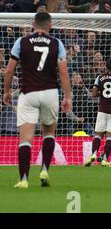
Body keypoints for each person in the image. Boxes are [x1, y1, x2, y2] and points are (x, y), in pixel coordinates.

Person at [2, 12, 72, 188]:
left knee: (25, 138)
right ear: (50, 25)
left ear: (33, 23)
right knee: (49, 133)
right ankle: (45, 170)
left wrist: (7, 91)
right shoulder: (57, 43)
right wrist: (68, 96)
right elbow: (63, 72)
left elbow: (9, 70)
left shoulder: (21, 42)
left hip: (29, 93)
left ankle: (24, 179)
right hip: (50, 93)